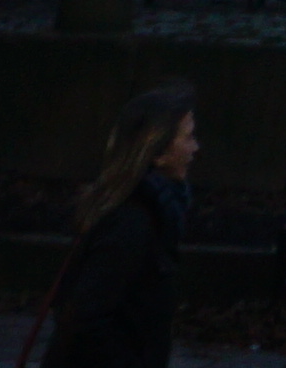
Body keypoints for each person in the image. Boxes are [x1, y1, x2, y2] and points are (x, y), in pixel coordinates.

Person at [47, 80, 201, 368]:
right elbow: (86, 319)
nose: (195, 148)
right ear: (158, 152)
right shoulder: (132, 222)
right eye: (188, 138)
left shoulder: (146, 212)